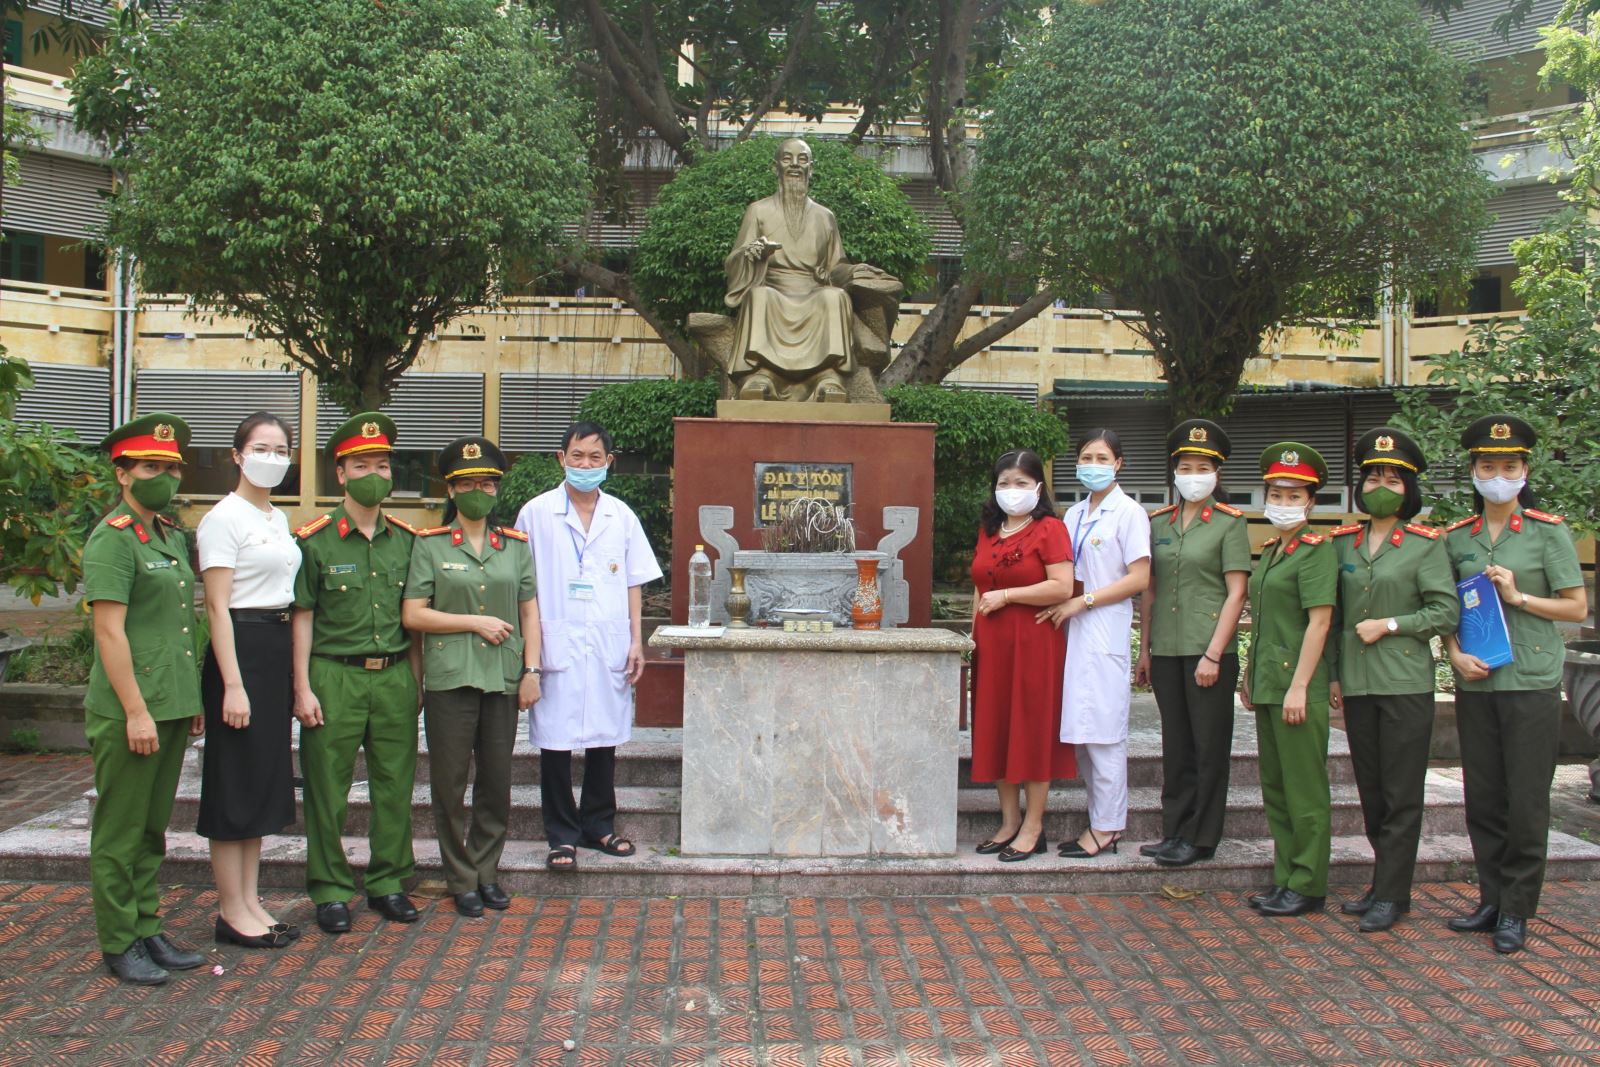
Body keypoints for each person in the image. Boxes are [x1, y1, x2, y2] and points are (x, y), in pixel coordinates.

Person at [1442, 415, 1587, 954]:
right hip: (1478, 679)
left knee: (1526, 799)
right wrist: (1453, 655)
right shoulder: (1459, 538)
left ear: (1525, 471)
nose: (1497, 475)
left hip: (1530, 678)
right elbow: (1445, 609)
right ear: (1474, 472)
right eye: (1487, 466)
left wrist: (1521, 597)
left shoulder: (1548, 533)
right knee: (1484, 796)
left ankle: (1518, 910)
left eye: (1508, 466)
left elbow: (1575, 605)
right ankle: (1490, 897)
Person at [83, 413, 207, 984]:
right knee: (120, 829)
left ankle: (146, 926)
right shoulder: (112, 540)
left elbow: (182, 623)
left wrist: (192, 697)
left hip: (173, 701)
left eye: (171, 468)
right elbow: (109, 632)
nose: (165, 477)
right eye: (152, 467)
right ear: (123, 473)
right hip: (132, 707)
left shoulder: (167, 534)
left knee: (154, 826)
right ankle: (118, 940)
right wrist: (135, 709)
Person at [291, 412, 422, 933]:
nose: (374, 473)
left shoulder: (410, 540)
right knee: (327, 788)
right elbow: (301, 616)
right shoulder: (313, 540)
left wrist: (416, 681)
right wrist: (301, 687)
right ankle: (330, 889)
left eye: (383, 464)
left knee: (395, 785)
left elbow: (415, 621)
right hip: (333, 675)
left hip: (392, 675)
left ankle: (388, 882)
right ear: (340, 473)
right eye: (361, 464)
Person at [1326, 428, 1459, 933]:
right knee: (1373, 790)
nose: (1382, 485)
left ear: (1410, 488)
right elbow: (1336, 617)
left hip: (1404, 682)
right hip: (1357, 684)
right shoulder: (1344, 542)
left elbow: (1444, 611)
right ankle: (1384, 882)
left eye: (1394, 478)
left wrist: (1393, 624)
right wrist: (1336, 675)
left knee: (1402, 792)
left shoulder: (1425, 546)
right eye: (1374, 476)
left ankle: (1393, 893)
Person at [514, 422, 662, 871]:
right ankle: (561, 835)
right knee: (554, 745)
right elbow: (525, 590)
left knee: (604, 741)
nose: (585, 465)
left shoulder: (622, 515)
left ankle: (598, 825)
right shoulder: (535, 514)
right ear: (561, 458)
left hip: (607, 643)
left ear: (609, 463)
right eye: (577, 456)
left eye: (595, 458)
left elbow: (635, 582)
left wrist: (637, 641)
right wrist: (531, 661)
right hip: (555, 642)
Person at [403, 437, 541, 917]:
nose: (478, 490)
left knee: (497, 782)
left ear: (497, 489)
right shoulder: (430, 545)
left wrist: (532, 671)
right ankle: (458, 876)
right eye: (467, 483)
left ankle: (486, 872)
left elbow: (530, 613)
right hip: (450, 678)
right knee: (449, 784)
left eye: (486, 482)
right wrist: (473, 622)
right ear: (451, 490)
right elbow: (413, 615)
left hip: (503, 678)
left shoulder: (516, 547)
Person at [197, 411, 302, 949]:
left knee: (261, 779)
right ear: (237, 455)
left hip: (272, 650)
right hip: (237, 650)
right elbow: (217, 607)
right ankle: (229, 909)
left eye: (281, 448)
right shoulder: (223, 518)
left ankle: (251, 899)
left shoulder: (277, 519)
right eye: (260, 448)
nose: (272, 457)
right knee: (234, 782)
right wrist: (233, 684)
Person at [1136, 419, 1251, 868]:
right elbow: (1150, 589)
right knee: (1176, 744)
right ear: (1174, 471)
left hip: (1209, 652)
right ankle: (1175, 831)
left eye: (1203, 466)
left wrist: (1214, 654)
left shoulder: (1229, 524)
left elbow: (1236, 592)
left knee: (1208, 746)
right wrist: (1144, 649)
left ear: (1216, 473)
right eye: (1186, 465)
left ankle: (1202, 837)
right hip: (1166, 648)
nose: (1193, 474)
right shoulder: (1159, 522)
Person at [1044, 430, 1151, 859]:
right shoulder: (1073, 514)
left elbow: (1139, 578)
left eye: (1101, 457)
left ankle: (1108, 827)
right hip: (1072, 631)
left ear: (1118, 463)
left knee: (1104, 732)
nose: (1093, 463)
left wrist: (1083, 601)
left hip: (1103, 625)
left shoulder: (1130, 513)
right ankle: (1098, 818)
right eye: (1086, 456)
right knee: (1081, 731)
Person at [1240, 442, 1336, 917]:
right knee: (1276, 787)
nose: (1283, 502)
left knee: (1305, 790)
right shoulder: (1273, 549)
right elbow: (1263, 622)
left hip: (1299, 686)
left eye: (1294, 495)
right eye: (1276, 493)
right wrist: (1248, 674)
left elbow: (1319, 623)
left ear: (1311, 501)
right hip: (1269, 683)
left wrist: (1300, 685)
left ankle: (1309, 882)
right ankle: (1286, 878)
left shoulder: (1317, 551)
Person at [969, 449, 1077, 862]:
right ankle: (1009, 821)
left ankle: (1034, 827)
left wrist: (1009, 595)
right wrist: (973, 636)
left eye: (1020, 483)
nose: (1011, 491)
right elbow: (979, 586)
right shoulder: (989, 530)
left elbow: (1062, 586)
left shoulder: (1050, 529)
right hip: (993, 644)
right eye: (1003, 484)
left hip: (1034, 643)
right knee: (996, 727)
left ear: (1038, 488)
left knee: (1030, 730)